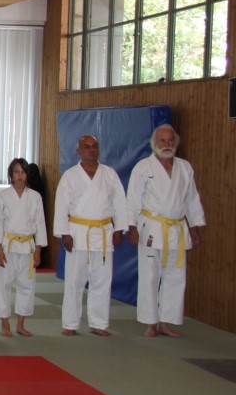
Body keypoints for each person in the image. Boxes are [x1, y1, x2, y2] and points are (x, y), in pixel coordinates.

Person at [127, 124, 205, 337]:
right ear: (154, 143)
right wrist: (131, 227)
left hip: (177, 229)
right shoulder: (143, 167)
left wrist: (195, 227)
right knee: (150, 276)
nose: (167, 144)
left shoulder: (185, 167)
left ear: (176, 143)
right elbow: (133, 199)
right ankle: (151, 322)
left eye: (171, 140)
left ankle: (165, 321)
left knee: (175, 276)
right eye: (162, 140)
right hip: (152, 228)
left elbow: (191, 199)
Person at [54, 135, 128, 336]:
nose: (91, 150)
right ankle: (70, 323)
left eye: (94, 146)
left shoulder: (109, 174)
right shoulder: (70, 176)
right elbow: (61, 206)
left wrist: (119, 228)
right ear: (78, 151)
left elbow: (120, 203)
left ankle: (99, 323)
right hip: (78, 233)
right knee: (74, 281)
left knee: (102, 280)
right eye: (86, 147)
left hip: (103, 233)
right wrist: (64, 233)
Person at [0, 158, 48, 337]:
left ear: (27, 175)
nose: (20, 176)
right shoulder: (2, 196)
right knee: (3, 285)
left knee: (27, 286)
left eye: (23, 172)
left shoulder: (35, 197)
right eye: (16, 172)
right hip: (8, 245)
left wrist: (39, 249)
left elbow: (40, 224)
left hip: (28, 246)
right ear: (11, 175)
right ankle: (5, 324)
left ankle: (21, 324)